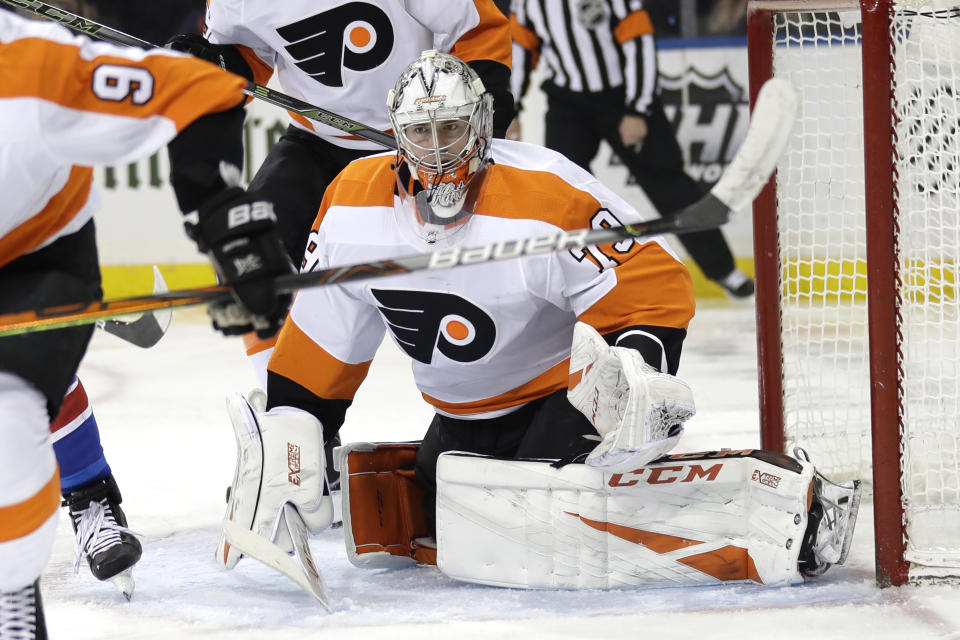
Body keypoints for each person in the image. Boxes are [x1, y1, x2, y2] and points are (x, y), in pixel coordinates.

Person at [216, 51, 860, 597]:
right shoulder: (353, 203)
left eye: (452, 130)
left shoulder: (547, 194)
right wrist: (296, 429)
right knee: (456, 510)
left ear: (482, 128)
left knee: (546, 510)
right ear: (397, 136)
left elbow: (653, 285)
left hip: (565, 404)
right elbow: (322, 341)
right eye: (422, 133)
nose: (438, 150)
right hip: (462, 424)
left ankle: (783, 503)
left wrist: (634, 369)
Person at [163, 0, 516, 533]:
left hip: (421, 141)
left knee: (466, 280)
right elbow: (249, 53)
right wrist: (215, 64)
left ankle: (506, 418)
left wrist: (479, 124)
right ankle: (296, 435)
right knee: (248, 255)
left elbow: (477, 30)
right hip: (315, 142)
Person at [0, 8, 291, 639]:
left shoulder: (38, 64)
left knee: (7, 416)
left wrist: (222, 213)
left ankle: (12, 592)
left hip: (33, 257)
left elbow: (198, 87)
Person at [507, 0, 755, 299]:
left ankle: (723, 270)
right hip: (568, 103)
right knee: (563, 191)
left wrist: (637, 109)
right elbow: (520, 49)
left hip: (623, 95)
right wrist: (512, 108)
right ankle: (581, 280)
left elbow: (639, 41)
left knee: (669, 183)